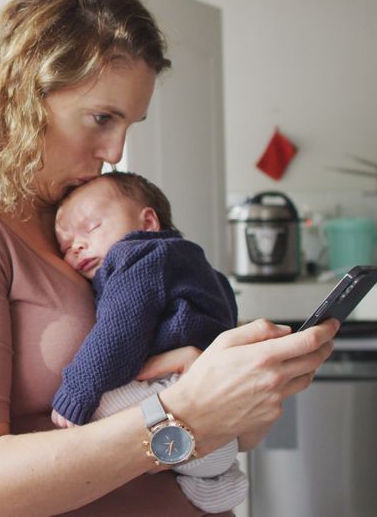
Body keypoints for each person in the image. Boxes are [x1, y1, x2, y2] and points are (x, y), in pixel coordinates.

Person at [0, 0, 337, 516]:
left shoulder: (91, 220)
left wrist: (244, 402)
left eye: (129, 124)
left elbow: (194, 417)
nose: (117, 150)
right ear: (22, 94)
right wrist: (183, 413)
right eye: (102, 118)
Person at [49, 172, 247, 514]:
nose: (77, 245)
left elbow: (118, 330)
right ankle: (216, 479)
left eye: (91, 227)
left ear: (148, 221)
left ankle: (208, 472)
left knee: (89, 410)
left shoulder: (139, 254)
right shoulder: (196, 265)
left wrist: (78, 388)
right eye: (66, 246)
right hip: (215, 420)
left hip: (179, 395)